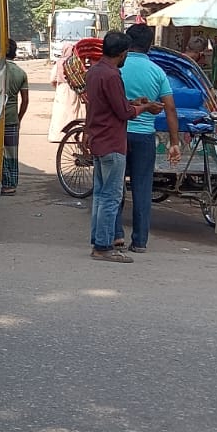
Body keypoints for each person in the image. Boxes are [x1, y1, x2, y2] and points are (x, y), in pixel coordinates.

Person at [85, 31, 150, 263]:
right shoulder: (112, 76)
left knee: (101, 196)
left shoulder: (94, 72)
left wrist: (134, 103)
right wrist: (145, 107)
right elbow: (124, 113)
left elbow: (110, 106)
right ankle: (103, 246)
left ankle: (99, 241)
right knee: (111, 196)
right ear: (122, 54)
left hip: (98, 139)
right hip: (112, 141)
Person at [116, 24, 180, 253]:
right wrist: (174, 143)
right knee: (142, 189)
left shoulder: (118, 68)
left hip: (118, 134)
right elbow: (170, 109)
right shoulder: (157, 72)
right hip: (144, 137)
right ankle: (140, 241)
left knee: (115, 186)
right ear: (150, 45)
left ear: (127, 41)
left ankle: (116, 236)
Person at [0, 39, 30, 195]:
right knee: (12, 153)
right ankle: (11, 184)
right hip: (12, 119)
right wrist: (19, 118)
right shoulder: (21, 73)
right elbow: (25, 100)